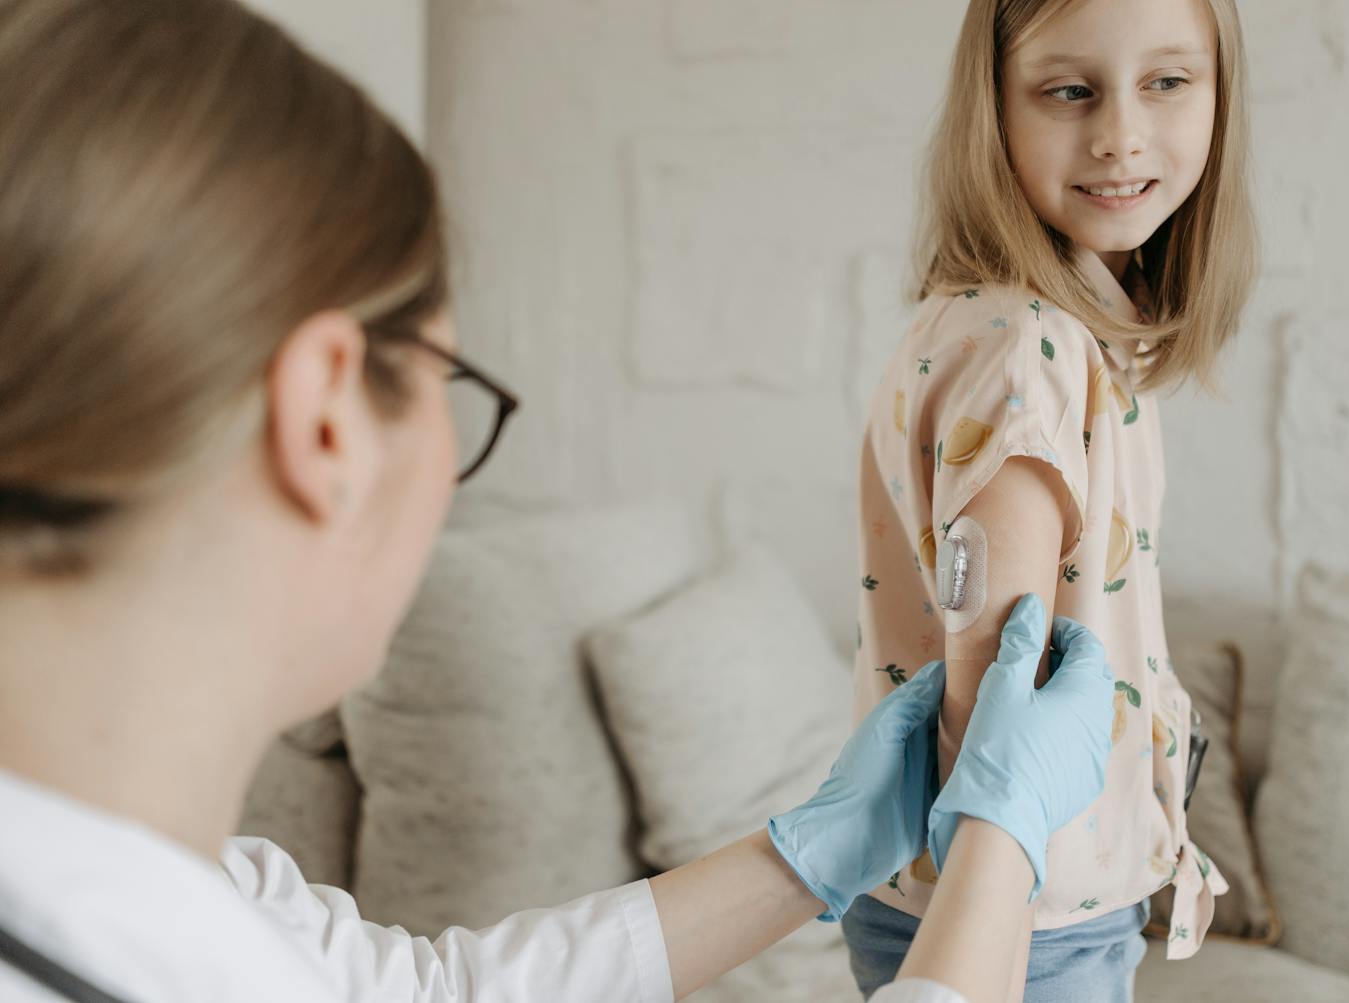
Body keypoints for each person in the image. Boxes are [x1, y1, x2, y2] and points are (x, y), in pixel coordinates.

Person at [0, 2, 1114, 1002]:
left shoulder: (183, 886)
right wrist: (1000, 843)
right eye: (449, 383)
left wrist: (807, 854)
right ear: (326, 423)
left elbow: (427, 994)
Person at [845, 0, 1257, 999]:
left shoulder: (1047, 331)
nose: (1120, 133)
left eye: (1166, 82)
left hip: (984, 893)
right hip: (1021, 910)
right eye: (1068, 90)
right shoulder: (1027, 356)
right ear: (994, 110)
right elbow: (1004, 698)